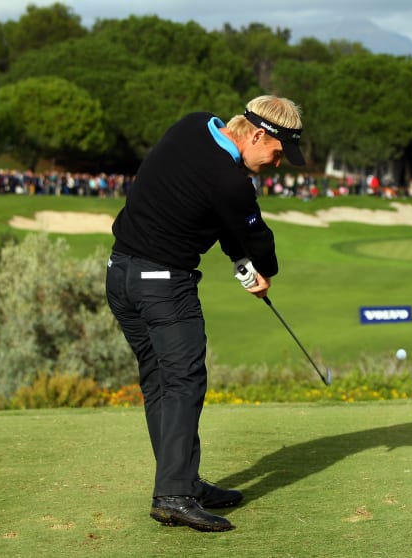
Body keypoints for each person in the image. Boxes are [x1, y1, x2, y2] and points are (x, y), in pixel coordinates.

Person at [105, 95, 305, 532]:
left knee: (160, 381)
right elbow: (255, 238)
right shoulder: (232, 183)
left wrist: (239, 260)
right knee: (184, 380)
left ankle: (182, 482)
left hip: (120, 277)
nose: (276, 164)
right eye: (276, 153)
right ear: (257, 135)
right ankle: (174, 494)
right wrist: (262, 272)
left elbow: (212, 213)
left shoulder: (191, 126)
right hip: (163, 287)